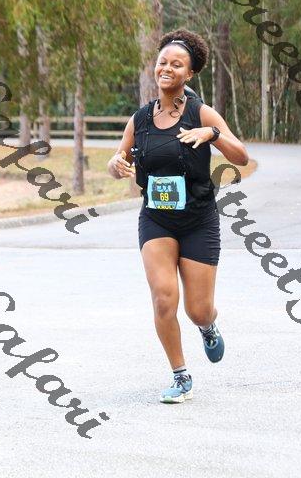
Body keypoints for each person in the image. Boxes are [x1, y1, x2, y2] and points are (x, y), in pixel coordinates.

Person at [107, 29, 249, 404]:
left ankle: (208, 326)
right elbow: (118, 160)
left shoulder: (200, 112)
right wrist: (115, 164)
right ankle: (180, 375)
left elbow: (241, 156)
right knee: (163, 299)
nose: (167, 68)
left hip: (199, 219)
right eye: (163, 62)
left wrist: (212, 133)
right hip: (156, 219)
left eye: (177, 64)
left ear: (190, 73)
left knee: (197, 309)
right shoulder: (140, 119)